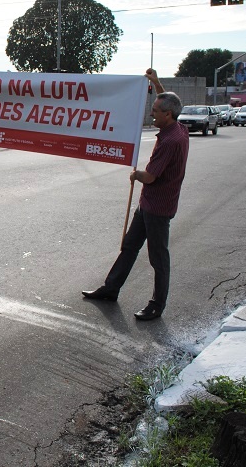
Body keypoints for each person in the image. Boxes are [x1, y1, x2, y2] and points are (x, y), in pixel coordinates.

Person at [82, 68, 189, 320]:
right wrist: (157, 83)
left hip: (158, 208)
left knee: (158, 258)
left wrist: (135, 174)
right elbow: (168, 101)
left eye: (155, 111)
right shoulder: (178, 128)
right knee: (129, 246)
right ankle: (111, 288)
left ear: (168, 115)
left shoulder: (171, 141)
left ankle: (157, 304)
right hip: (148, 203)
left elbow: (150, 177)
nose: (151, 112)